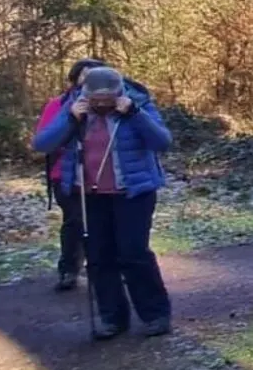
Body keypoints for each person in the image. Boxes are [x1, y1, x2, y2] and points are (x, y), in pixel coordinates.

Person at [31, 66, 175, 340]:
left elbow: (162, 142)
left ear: (118, 94)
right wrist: (71, 120)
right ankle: (112, 317)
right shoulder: (73, 107)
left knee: (133, 253)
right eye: (97, 100)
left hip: (133, 193)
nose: (102, 105)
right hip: (89, 194)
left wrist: (135, 114)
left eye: (107, 100)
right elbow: (42, 144)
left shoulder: (138, 105)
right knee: (98, 257)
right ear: (87, 96)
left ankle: (156, 315)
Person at [36, 56, 105, 291]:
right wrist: (70, 119)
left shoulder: (109, 103)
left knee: (97, 224)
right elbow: (44, 139)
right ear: (75, 79)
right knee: (75, 220)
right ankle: (69, 268)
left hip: (97, 175)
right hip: (64, 174)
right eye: (84, 76)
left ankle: (100, 268)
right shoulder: (58, 104)